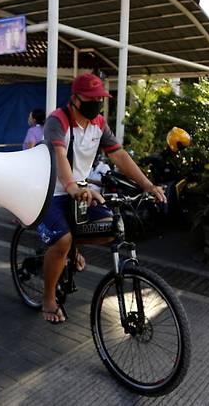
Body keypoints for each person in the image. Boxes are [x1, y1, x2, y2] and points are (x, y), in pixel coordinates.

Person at [38, 73, 165, 324]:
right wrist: (73, 187)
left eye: (100, 99)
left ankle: (72, 249)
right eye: (91, 98)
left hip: (81, 190)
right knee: (62, 241)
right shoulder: (58, 120)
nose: (97, 103)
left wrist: (148, 185)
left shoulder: (98, 123)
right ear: (75, 99)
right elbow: (60, 156)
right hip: (50, 190)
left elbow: (119, 156)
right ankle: (49, 298)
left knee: (109, 228)